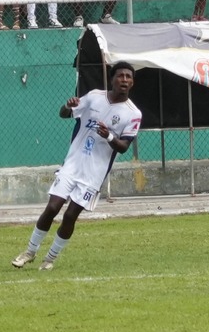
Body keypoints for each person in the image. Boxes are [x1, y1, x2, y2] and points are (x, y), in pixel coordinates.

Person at [13, 62, 143, 270]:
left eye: (129, 77)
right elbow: (64, 114)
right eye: (120, 76)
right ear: (112, 79)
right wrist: (68, 106)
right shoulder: (94, 97)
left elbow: (124, 147)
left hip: (94, 174)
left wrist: (108, 135)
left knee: (70, 215)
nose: (124, 80)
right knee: (53, 207)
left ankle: (50, 258)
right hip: (72, 164)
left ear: (133, 82)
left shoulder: (133, 114)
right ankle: (29, 251)